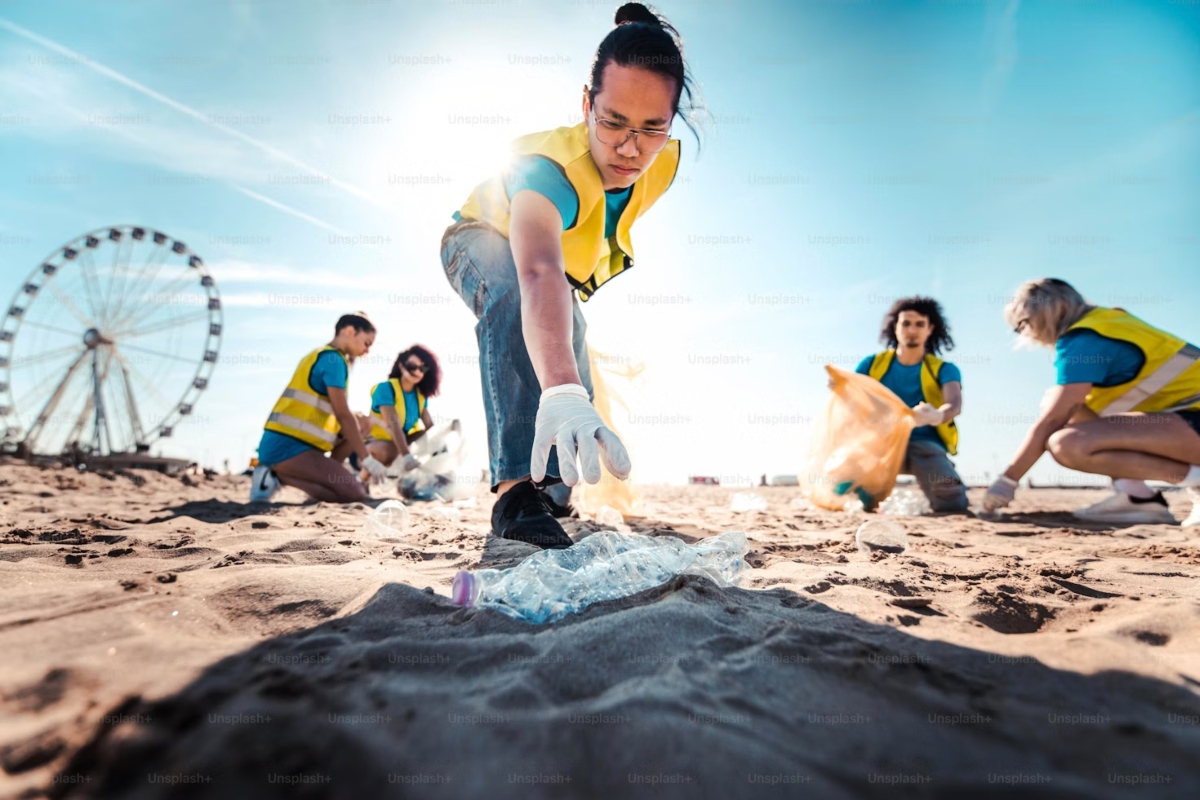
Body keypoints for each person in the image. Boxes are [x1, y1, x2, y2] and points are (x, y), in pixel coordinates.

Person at [440, 3, 699, 549]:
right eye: (612, 123)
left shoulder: (666, 162)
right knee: (516, 306)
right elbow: (536, 271)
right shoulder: (548, 171)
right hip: (481, 241)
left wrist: (567, 382)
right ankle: (515, 492)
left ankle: (552, 482)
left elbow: (560, 283)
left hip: (558, 274)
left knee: (571, 347)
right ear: (586, 104)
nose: (631, 149)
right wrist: (558, 388)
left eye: (652, 128)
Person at [981, 279, 1200, 527]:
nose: (1027, 333)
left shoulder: (1083, 340)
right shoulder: (1110, 321)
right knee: (1063, 402)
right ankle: (1136, 497)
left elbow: (1053, 420)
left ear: (1060, 307)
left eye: (1025, 322)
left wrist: (1008, 480)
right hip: (1184, 419)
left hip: (1193, 419)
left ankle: (1196, 482)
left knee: (1067, 444)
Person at [250, 312, 389, 503]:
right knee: (354, 494)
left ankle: (326, 478)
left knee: (363, 421)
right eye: (367, 343)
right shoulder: (333, 360)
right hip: (286, 447)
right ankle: (276, 475)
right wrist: (367, 459)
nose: (367, 351)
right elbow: (342, 415)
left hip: (302, 445)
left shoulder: (323, 355)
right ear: (349, 331)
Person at [854, 297, 968, 513]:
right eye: (905, 323)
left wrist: (936, 415)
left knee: (952, 503)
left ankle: (945, 482)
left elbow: (954, 404)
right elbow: (853, 397)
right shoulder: (871, 364)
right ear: (895, 328)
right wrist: (840, 386)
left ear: (930, 328)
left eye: (919, 324)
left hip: (924, 443)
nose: (912, 330)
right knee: (854, 495)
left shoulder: (944, 369)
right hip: (879, 444)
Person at [363, 345, 440, 476]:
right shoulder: (385, 389)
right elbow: (393, 424)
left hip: (402, 445)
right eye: (412, 367)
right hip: (373, 446)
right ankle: (362, 478)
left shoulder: (420, 396)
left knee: (428, 436)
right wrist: (406, 456)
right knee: (386, 450)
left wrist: (440, 444)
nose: (417, 372)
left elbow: (430, 427)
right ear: (401, 366)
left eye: (423, 368)